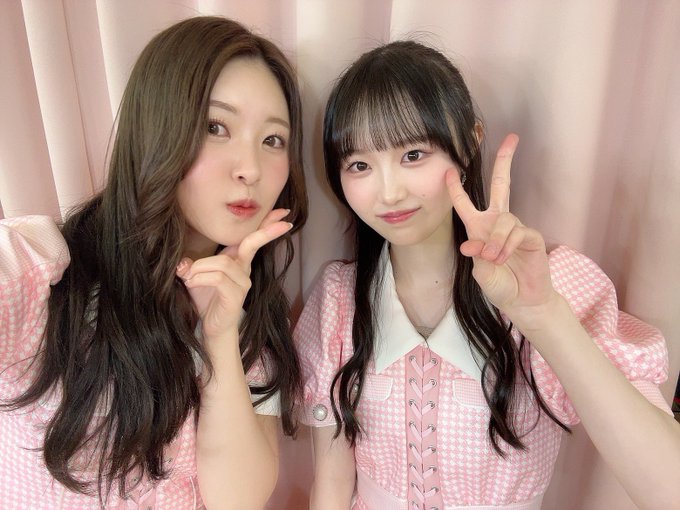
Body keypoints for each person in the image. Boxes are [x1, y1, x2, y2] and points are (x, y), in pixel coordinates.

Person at [295, 40, 679, 510]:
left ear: (470, 141)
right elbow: (332, 487)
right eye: (359, 165)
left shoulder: (553, 282)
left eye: (413, 154)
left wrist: (543, 314)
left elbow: (668, 489)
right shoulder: (339, 299)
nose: (389, 192)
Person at [0, 16, 307, 509]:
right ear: (155, 131)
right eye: (215, 127)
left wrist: (219, 339)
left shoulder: (252, 318)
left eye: (273, 139)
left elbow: (238, 501)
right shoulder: (44, 272)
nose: (251, 169)